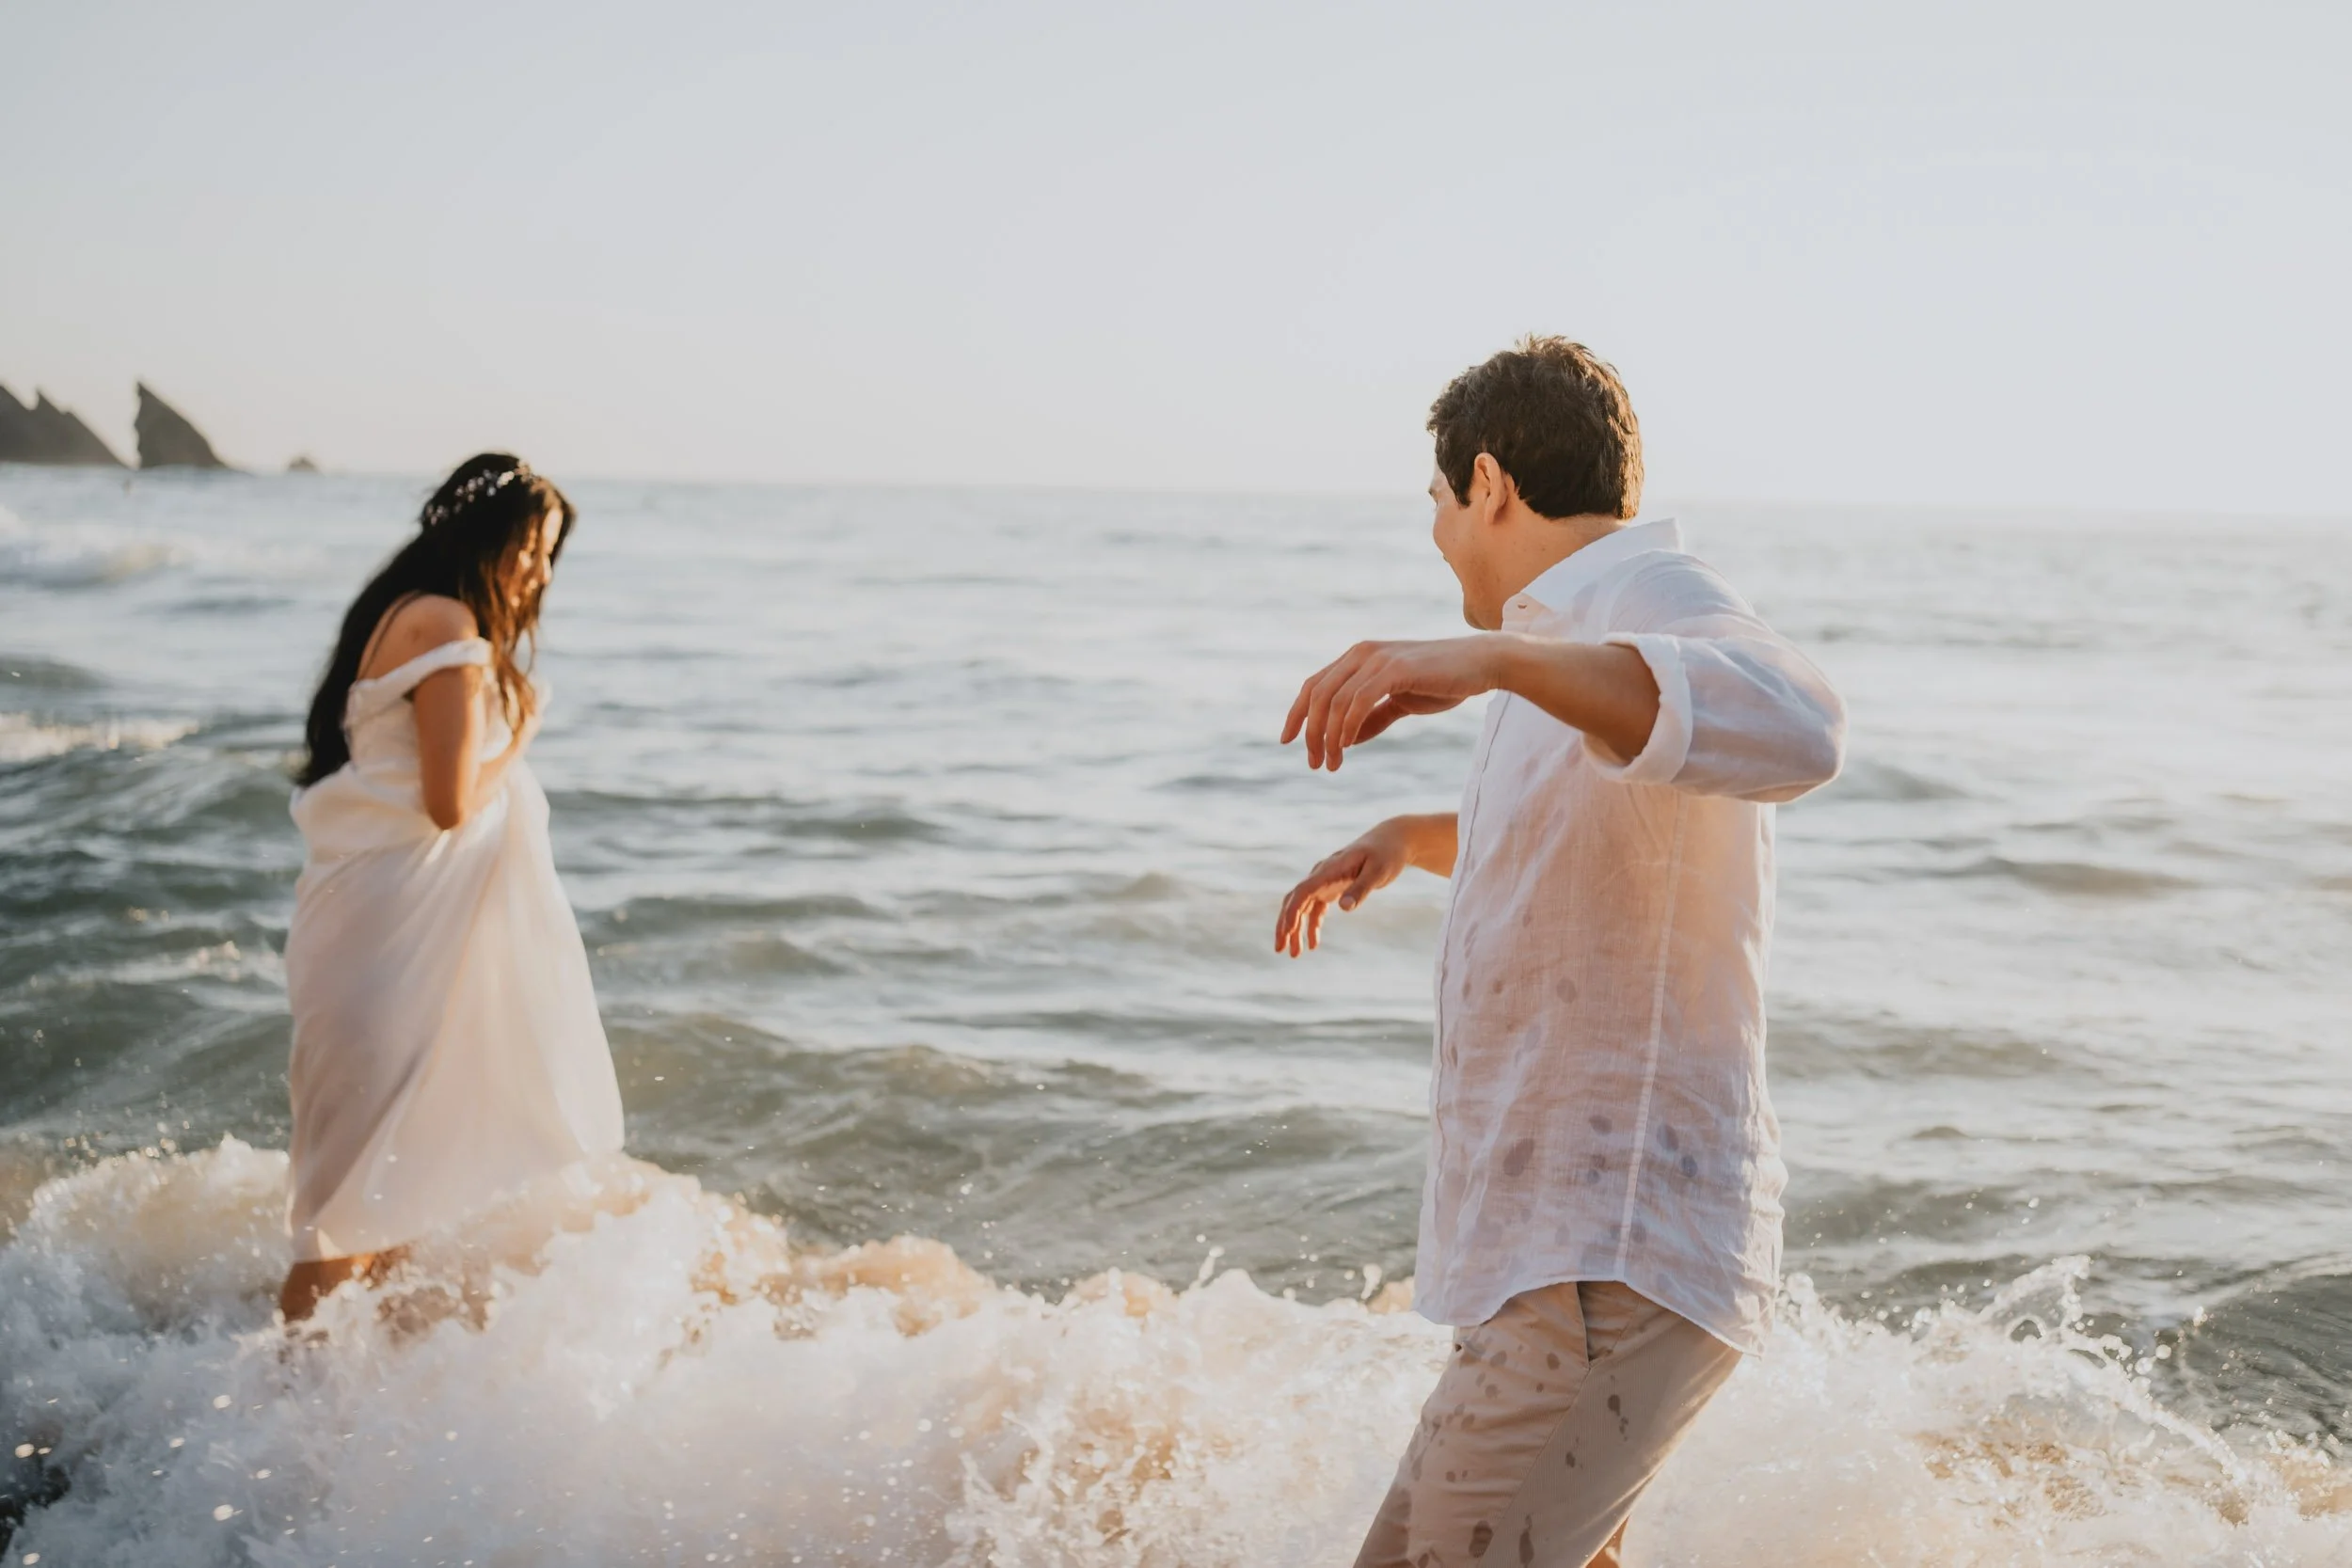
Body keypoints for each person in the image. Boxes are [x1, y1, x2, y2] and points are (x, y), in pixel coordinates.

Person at [1275, 340, 1846, 1567]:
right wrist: (1412, 837)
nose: (1435, 534)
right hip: (1556, 1262)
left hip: (1609, 1254)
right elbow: (1603, 834)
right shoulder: (1573, 641)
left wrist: (1487, 660)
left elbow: (1801, 726)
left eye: (1435, 501)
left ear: (1487, 482)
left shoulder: (1654, 599)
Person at [278, 453, 625, 1323]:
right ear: (491, 537)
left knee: (386, 1186)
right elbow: (449, 803)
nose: (542, 572)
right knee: (343, 1215)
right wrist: (526, 733)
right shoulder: (447, 630)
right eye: (534, 548)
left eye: (551, 554)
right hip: (390, 941)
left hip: (384, 929)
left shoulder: (407, 610)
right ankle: (264, 1420)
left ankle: (337, 1412)